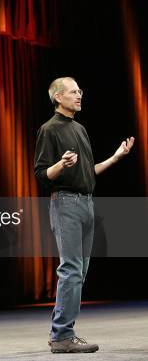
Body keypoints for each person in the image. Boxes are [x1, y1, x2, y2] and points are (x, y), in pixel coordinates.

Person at [34, 77, 134, 354]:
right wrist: (61, 164)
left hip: (86, 203)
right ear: (58, 97)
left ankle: (64, 333)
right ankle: (62, 336)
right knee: (70, 270)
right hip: (65, 203)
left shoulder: (79, 128)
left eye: (80, 91)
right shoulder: (49, 129)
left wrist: (115, 158)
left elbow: (88, 172)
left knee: (80, 272)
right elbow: (42, 175)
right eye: (74, 91)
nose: (79, 95)